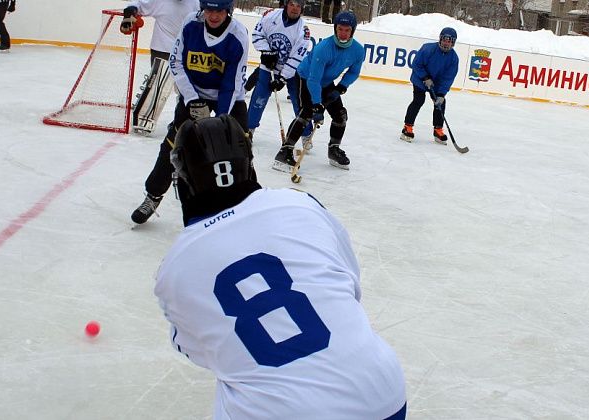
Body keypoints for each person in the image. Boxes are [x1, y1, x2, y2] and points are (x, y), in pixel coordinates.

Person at [155, 115, 407, 419]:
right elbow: (349, 282)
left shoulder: (174, 268)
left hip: (281, 411)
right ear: (248, 161)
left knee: (236, 383)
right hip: (383, 396)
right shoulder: (299, 204)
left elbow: (199, 351)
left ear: (182, 178)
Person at [130, 0, 249, 225]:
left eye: (219, 11)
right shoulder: (190, 23)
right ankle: (153, 195)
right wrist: (193, 100)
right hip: (193, 93)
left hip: (229, 96)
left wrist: (222, 120)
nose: (213, 16)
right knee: (173, 145)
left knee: (239, 147)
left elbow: (231, 83)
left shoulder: (238, 35)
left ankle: (243, 204)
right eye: (209, 10)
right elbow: (175, 62)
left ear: (229, 11)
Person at [272, 10, 364, 171]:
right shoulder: (324, 48)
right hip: (307, 77)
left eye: (347, 30)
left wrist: (342, 86)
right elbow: (314, 79)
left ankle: (334, 149)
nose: (342, 34)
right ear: (335, 28)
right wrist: (316, 104)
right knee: (306, 113)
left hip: (327, 81)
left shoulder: (358, 50)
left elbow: (354, 72)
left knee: (340, 115)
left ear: (353, 31)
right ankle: (285, 151)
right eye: (340, 29)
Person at [121, 0, 200, 135]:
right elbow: (138, 4)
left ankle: (182, 122)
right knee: (156, 87)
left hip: (186, 51)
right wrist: (130, 11)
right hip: (162, 49)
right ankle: (143, 121)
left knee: (186, 90)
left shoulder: (197, 2)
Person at [247, 0, 314, 145]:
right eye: (292, 4)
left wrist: (282, 78)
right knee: (259, 98)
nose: (295, 9)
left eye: (298, 6)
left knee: (298, 102)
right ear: (286, 5)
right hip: (268, 67)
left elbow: (296, 58)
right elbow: (257, 34)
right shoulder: (270, 17)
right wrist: (266, 51)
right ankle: (248, 130)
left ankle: (306, 133)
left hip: (292, 72)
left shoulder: (303, 31)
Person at [400, 27, 459, 144]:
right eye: (445, 40)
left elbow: (448, 78)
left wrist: (441, 93)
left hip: (436, 83)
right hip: (420, 80)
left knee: (440, 104)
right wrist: (425, 77)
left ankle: (438, 130)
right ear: (440, 39)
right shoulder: (428, 49)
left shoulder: (453, 58)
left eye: (450, 41)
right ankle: (407, 127)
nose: (446, 43)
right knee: (418, 100)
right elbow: (416, 64)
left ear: (453, 42)